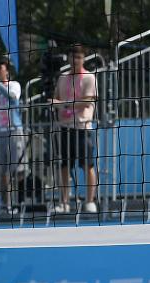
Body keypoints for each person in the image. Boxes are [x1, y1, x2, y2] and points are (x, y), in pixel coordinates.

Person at [52, 44, 99, 214]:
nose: (75, 60)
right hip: (65, 128)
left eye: (78, 57)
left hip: (83, 127)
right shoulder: (62, 78)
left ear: (83, 59)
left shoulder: (89, 77)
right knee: (64, 166)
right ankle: (64, 201)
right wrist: (58, 104)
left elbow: (86, 102)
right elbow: (55, 99)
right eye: (72, 56)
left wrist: (63, 104)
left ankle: (90, 200)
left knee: (87, 165)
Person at [0, 58, 25, 216]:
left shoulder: (14, 84)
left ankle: (21, 202)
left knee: (19, 169)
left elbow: (11, 96)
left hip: (14, 130)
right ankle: (6, 205)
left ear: (7, 71)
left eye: (0, 68)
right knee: (3, 171)